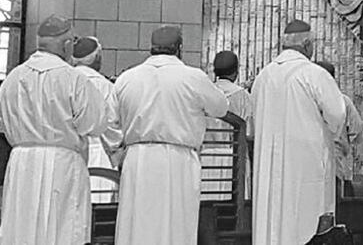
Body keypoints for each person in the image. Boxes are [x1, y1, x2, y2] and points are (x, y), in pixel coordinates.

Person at [111, 25, 229, 245]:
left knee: (138, 223)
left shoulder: (127, 78)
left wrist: (115, 153)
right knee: (177, 223)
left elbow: (110, 120)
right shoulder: (192, 77)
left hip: (138, 159)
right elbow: (221, 107)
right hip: (178, 160)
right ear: (179, 48)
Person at [0, 15, 108, 245]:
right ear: (67, 45)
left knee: (23, 227)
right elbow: (95, 123)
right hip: (63, 163)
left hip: (22, 163)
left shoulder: (13, 78)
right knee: (62, 228)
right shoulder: (72, 78)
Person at [253, 20, 346, 245]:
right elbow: (337, 114)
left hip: (269, 163)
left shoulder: (263, 77)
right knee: (306, 219)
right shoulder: (314, 74)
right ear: (306, 45)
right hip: (305, 162)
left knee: (272, 220)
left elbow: (255, 113)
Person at [71, 36, 122, 204]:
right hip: (98, 150)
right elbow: (111, 122)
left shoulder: (65, 78)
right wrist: (118, 149)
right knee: (97, 204)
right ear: (97, 57)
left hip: (68, 149)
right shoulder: (104, 85)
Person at [202, 50, 253, 199]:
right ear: (236, 72)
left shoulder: (205, 92)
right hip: (234, 158)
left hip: (205, 157)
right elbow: (249, 132)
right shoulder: (242, 96)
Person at [316, 60, 363, 203]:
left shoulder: (305, 100)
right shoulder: (343, 101)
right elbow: (357, 131)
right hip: (337, 158)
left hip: (312, 159)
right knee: (338, 207)